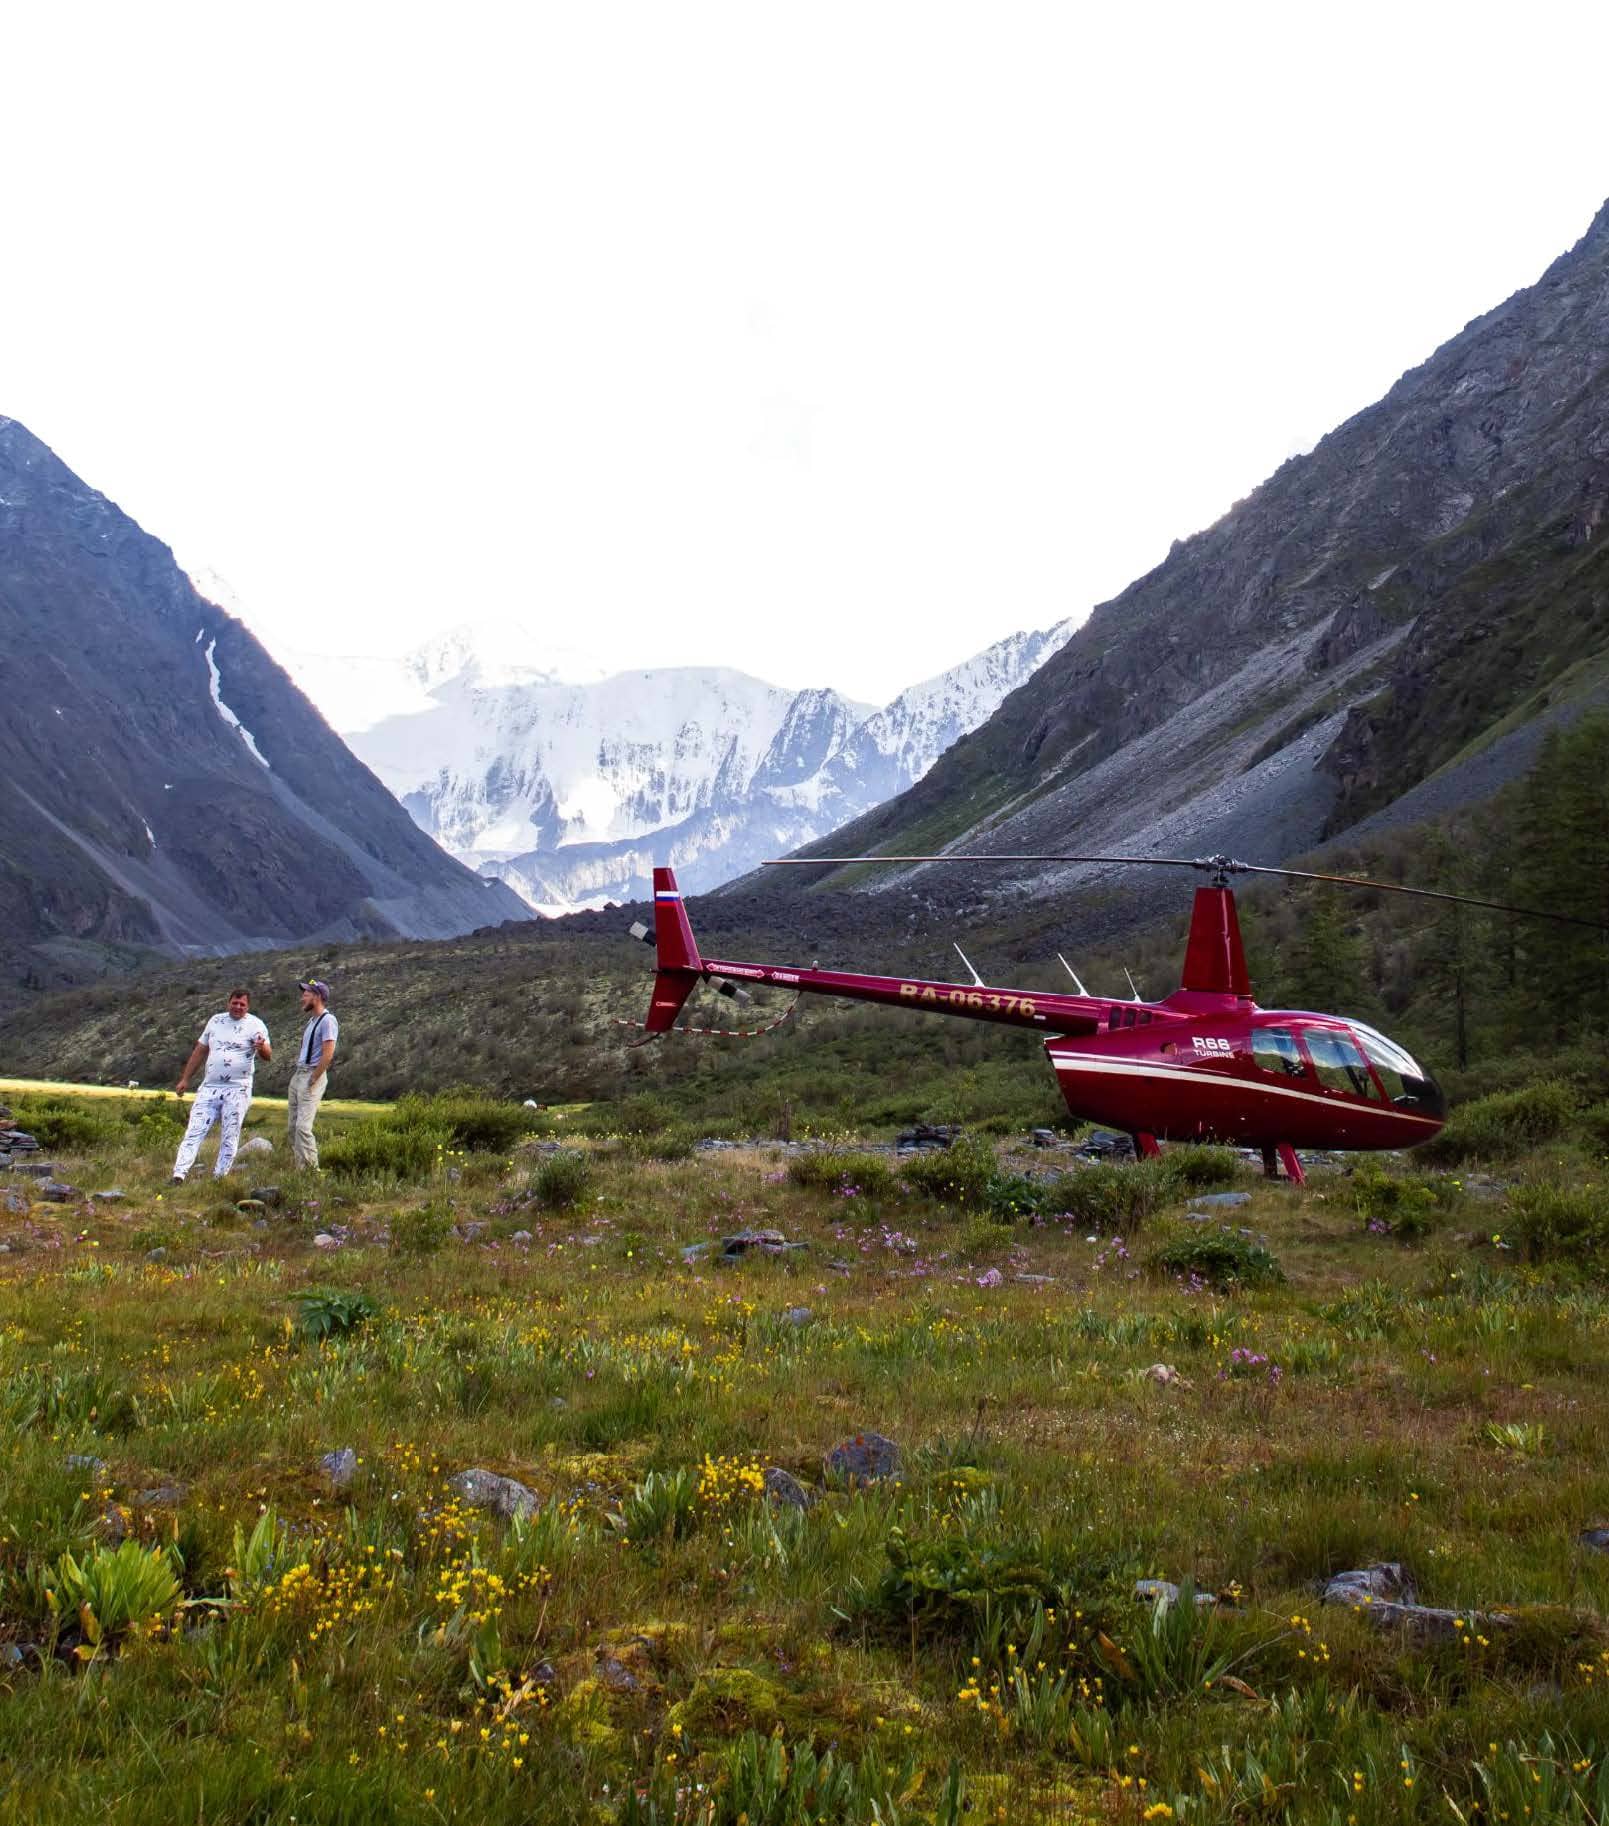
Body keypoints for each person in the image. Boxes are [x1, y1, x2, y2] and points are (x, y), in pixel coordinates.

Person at [171, 988, 271, 1182]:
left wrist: (262, 1047)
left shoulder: (256, 1025)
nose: (238, 1007)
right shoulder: (215, 1021)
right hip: (210, 1086)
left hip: (238, 1088)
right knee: (194, 1130)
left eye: (242, 1004)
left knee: (230, 1134)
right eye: (235, 1002)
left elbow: (268, 1055)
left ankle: (219, 1177)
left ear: (248, 1006)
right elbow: (200, 1050)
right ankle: (179, 1174)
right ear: (229, 1002)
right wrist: (185, 1078)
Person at [288, 978, 338, 1169]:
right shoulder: (311, 1021)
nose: (302, 998)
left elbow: (328, 1053)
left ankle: (311, 1172)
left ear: (317, 997)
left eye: (306, 994)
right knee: (292, 1127)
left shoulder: (328, 1020)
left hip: (310, 1075)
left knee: (303, 1127)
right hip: (299, 1074)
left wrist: (314, 1078)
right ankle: (300, 1169)